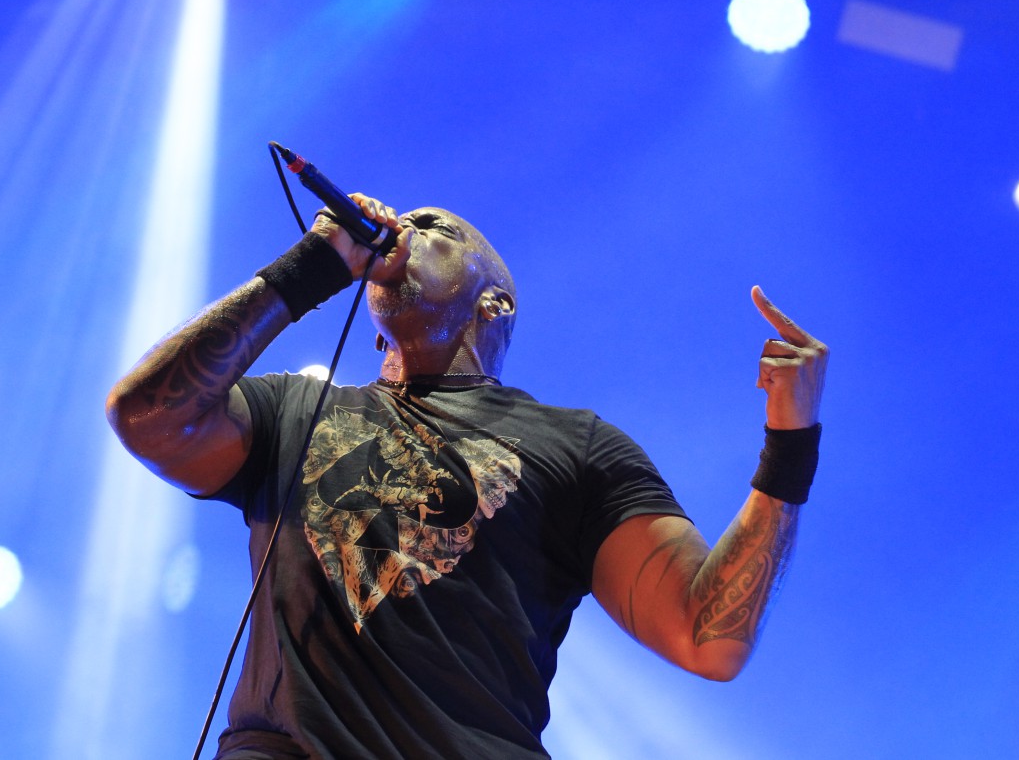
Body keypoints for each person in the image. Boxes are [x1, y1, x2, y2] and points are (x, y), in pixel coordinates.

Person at [106, 195, 828, 760]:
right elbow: (146, 415)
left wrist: (790, 444)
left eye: (433, 227)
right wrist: (312, 267)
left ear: (494, 302)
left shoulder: (578, 446)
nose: (404, 228)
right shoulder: (298, 409)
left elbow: (708, 634)